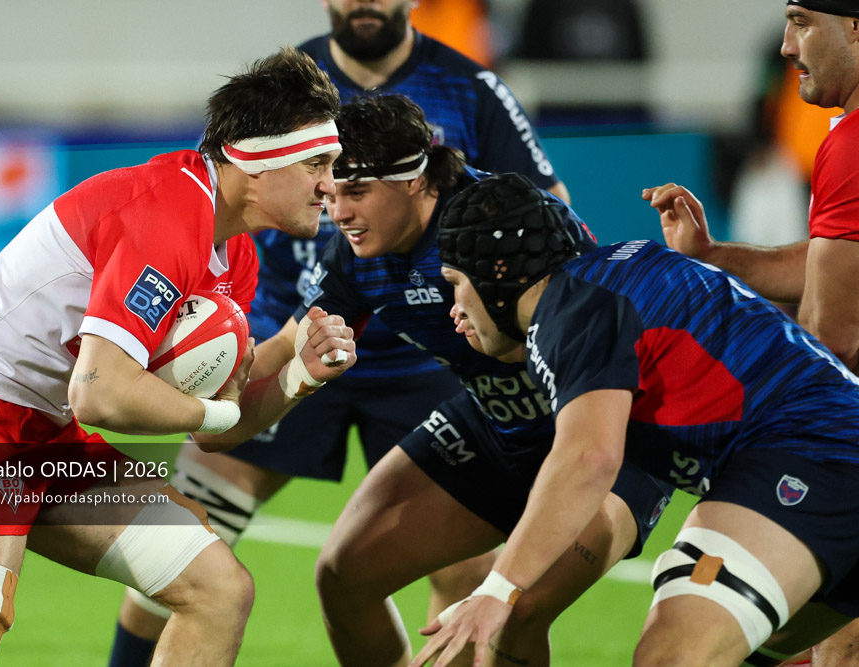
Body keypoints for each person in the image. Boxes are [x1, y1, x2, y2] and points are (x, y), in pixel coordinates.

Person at [110, 1, 571, 663]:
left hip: (427, 359)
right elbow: (225, 189)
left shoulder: (469, 89)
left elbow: (550, 212)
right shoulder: (290, 87)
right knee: (180, 537)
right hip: (300, 323)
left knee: (465, 572)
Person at [0, 47, 357, 667]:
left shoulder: (236, 255)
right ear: (257, 162)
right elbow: (102, 393)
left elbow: (213, 425)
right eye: (317, 161)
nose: (329, 184)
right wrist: (220, 413)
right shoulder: (165, 213)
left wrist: (295, 374)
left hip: (46, 436)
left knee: (217, 590)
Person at [266, 94, 666, 667]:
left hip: (602, 432)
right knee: (343, 574)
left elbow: (593, 348)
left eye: (356, 192)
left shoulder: (507, 225)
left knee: (511, 616)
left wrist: (499, 588)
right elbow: (286, 349)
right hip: (495, 421)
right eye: (331, 194)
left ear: (414, 181)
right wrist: (201, 403)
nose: (339, 213)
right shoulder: (358, 252)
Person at [421, 172, 859, 666]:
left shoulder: (569, 309)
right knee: (752, 653)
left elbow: (589, 455)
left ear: (497, 273)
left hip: (812, 456)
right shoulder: (623, 266)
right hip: (831, 451)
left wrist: (498, 589)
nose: (454, 310)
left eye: (456, 284)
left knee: (671, 658)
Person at [643, 2, 859, 662]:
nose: (788, 46)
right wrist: (715, 258)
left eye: (801, 21)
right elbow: (832, 258)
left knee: (682, 648)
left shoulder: (852, 145)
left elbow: (834, 341)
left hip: (837, 453)